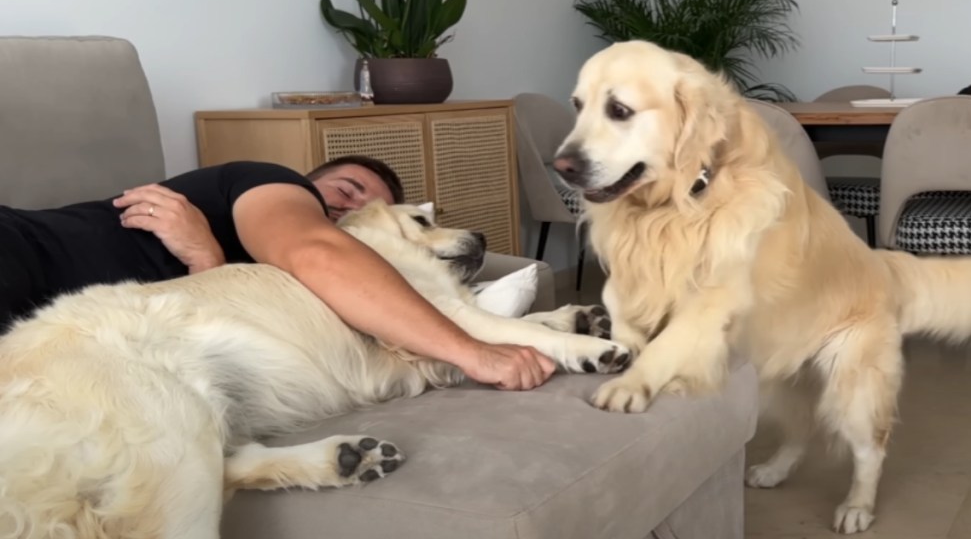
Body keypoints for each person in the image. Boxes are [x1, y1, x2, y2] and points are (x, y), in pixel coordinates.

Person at [0, 156, 555, 390]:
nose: (347, 213)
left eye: (370, 210)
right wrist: (470, 352)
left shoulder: (242, 266)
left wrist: (207, 260)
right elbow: (315, 251)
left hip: (59, 348)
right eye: (345, 191)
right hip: (26, 254)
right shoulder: (269, 182)